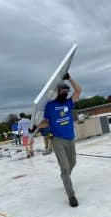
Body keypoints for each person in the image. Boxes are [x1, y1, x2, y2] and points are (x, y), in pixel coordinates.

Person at [30, 72, 81, 207]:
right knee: (64, 167)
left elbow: (79, 90)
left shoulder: (69, 103)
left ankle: (65, 177)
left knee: (73, 162)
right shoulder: (50, 105)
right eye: (62, 90)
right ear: (57, 92)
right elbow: (47, 122)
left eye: (66, 90)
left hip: (70, 138)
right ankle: (71, 195)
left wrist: (69, 78)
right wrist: (36, 126)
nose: (65, 92)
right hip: (57, 140)